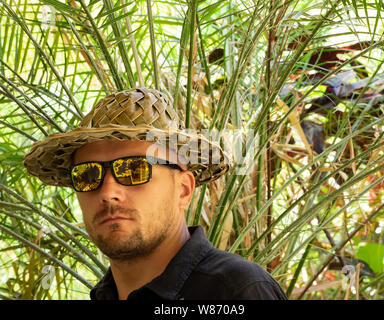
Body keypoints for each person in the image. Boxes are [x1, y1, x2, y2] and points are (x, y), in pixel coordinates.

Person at [24, 88, 287, 300]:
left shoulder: (237, 291)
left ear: (183, 190)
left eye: (134, 170)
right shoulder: (104, 295)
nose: (108, 192)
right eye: (88, 175)